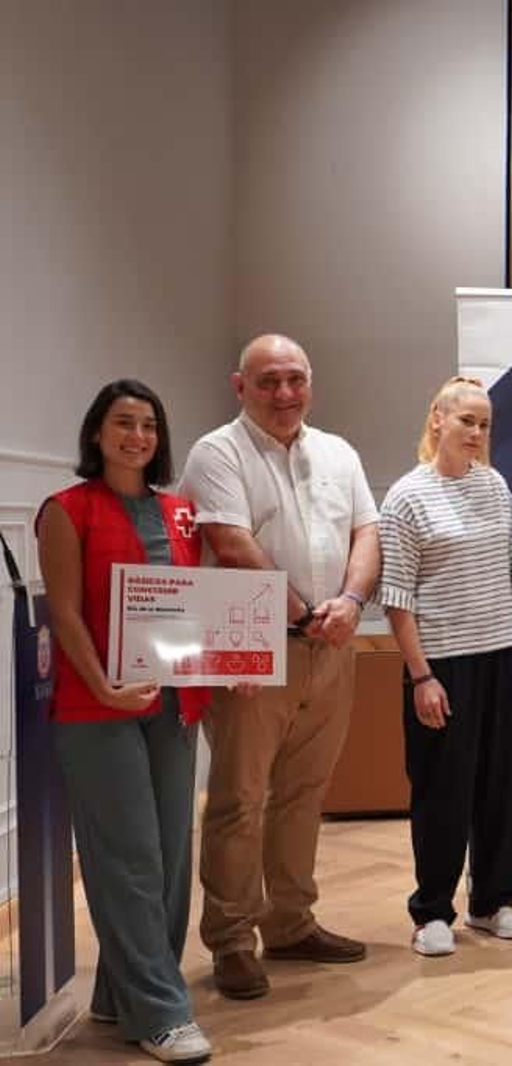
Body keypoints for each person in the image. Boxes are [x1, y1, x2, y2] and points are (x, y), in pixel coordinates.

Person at [180, 334, 380, 1000]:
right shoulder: (218, 452)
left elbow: (366, 533)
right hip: (251, 649)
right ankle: (232, 939)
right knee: (240, 800)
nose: (285, 393)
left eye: (296, 379)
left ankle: (290, 923)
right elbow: (230, 543)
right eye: (269, 381)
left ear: (311, 383)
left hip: (332, 645)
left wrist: (350, 602)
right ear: (241, 387)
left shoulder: (338, 452)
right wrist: (301, 614)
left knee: (304, 794)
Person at [37, 381, 215, 1064]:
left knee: (171, 860)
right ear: (96, 434)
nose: (136, 436)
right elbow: (67, 613)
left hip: (174, 706)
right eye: (123, 423)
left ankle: (122, 996)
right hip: (97, 709)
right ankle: (163, 1013)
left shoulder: (181, 512)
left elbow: (196, 606)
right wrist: (105, 686)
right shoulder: (67, 509)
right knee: (129, 856)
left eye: (148, 425)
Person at [379, 377, 512, 956]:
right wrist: (421, 676)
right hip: (441, 666)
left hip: (500, 656)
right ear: (437, 420)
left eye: (485, 424)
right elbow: (398, 599)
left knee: (500, 786)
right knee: (443, 791)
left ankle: (493, 903)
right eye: (466, 420)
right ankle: (432, 913)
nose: (476, 433)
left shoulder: (495, 486)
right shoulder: (406, 497)